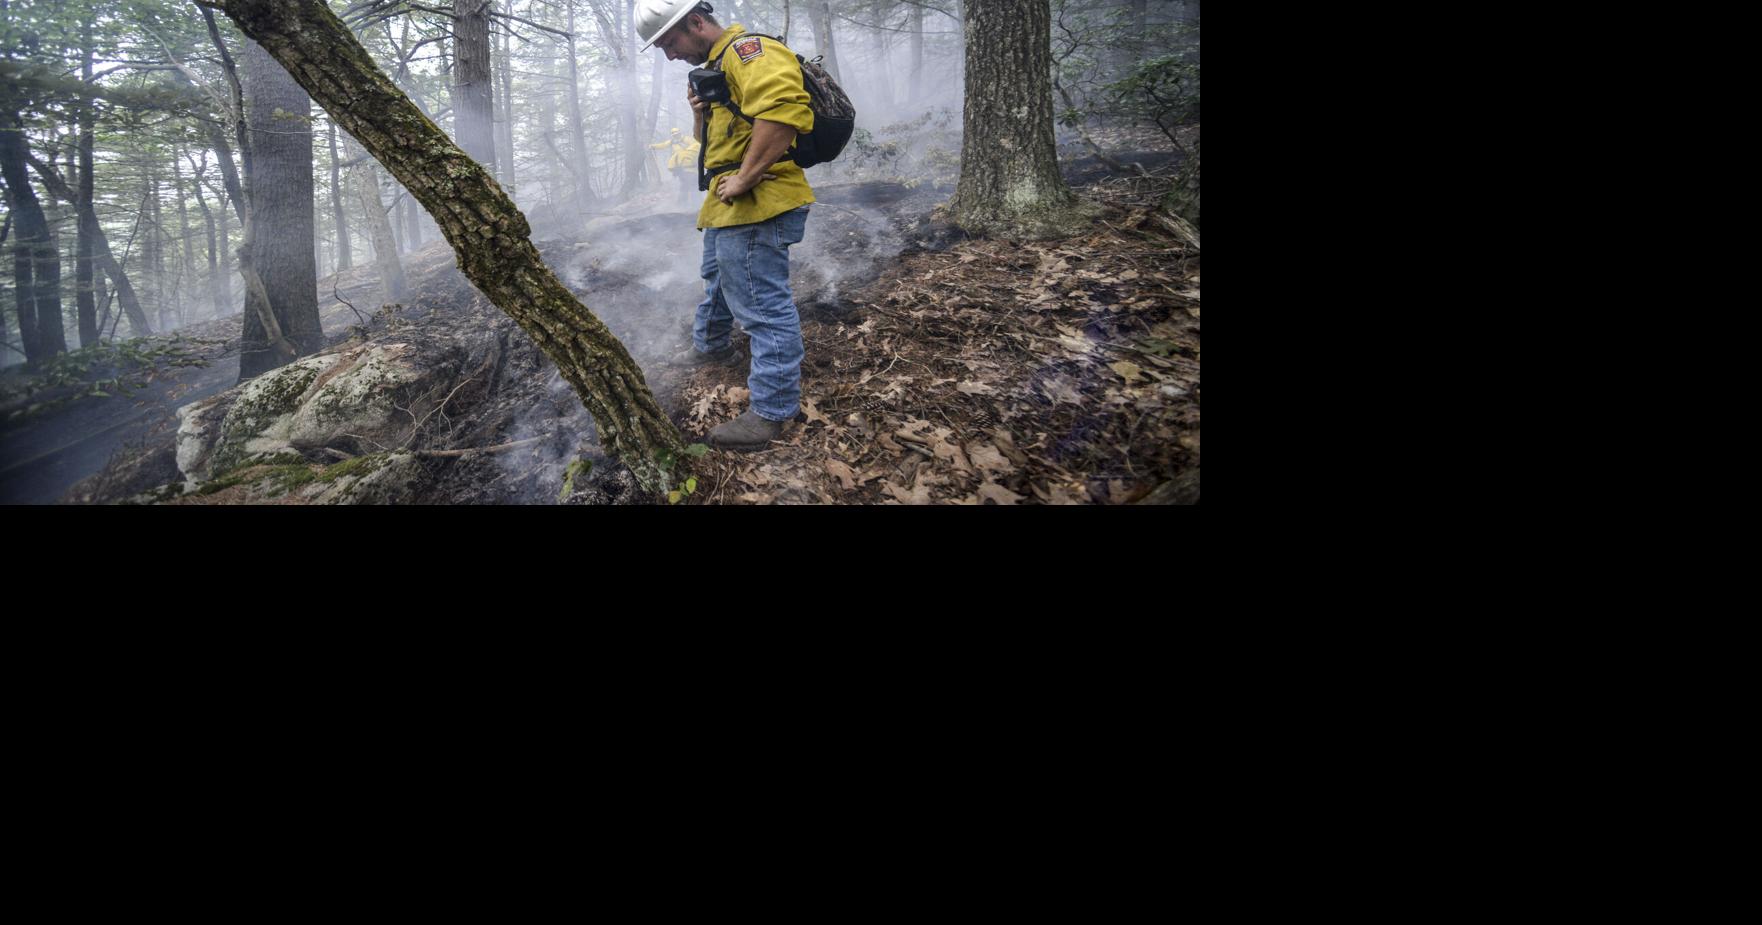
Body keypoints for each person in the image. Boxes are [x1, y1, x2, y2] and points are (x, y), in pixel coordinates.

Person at [638, 0, 815, 451]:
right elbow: (712, 144)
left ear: (696, 23)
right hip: (730, 202)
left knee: (760, 304)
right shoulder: (718, 65)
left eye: (670, 43)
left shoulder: (749, 50)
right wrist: (699, 113)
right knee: (717, 279)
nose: (670, 55)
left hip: (757, 199)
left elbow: (783, 112)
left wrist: (746, 177)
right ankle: (712, 346)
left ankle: (773, 412)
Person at [647, 127, 701, 205]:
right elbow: (663, 145)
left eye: (677, 134)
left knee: (693, 186)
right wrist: (653, 146)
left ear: (680, 133)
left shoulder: (687, 140)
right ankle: (683, 205)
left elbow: (697, 146)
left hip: (692, 167)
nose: (676, 136)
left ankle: (695, 204)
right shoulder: (672, 142)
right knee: (684, 187)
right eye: (674, 135)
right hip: (682, 169)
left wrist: (687, 154)